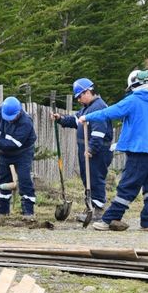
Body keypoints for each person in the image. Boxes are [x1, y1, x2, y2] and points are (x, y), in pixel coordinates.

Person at [80, 69, 148, 231]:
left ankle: (108, 220)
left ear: (133, 86)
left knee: (128, 185)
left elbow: (108, 113)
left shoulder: (133, 101)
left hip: (139, 152)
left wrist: (87, 117)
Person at [52, 78, 113, 223]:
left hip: (98, 151)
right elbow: (76, 121)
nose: (79, 100)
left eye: (80, 96)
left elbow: (99, 133)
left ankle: (97, 211)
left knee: (95, 178)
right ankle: (90, 208)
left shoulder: (98, 108)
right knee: (87, 179)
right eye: (77, 97)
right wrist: (60, 119)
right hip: (86, 150)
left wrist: (92, 149)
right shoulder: (88, 107)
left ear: (88, 91)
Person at [0, 96, 37, 216]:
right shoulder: (0, 111)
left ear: (18, 113)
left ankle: (28, 213)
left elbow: (14, 144)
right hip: (4, 153)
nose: (9, 120)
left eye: (11, 118)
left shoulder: (26, 122)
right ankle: (3, 213)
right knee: (3, 180)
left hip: (23, 153)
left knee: (24, 180)